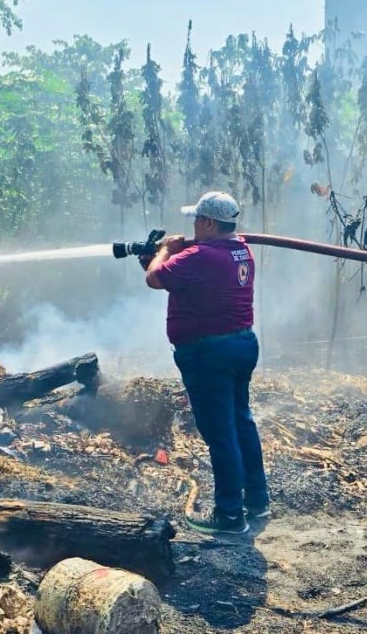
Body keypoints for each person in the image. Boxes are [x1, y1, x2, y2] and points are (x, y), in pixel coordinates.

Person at [139, 190, 269, 535]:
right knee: (241, 422)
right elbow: (180, 280)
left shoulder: (200, 255)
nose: (193, 225)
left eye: (197, 219)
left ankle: (229, 515)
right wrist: (162, 258)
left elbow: (154, 279)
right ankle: (257, 502)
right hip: (240, 344)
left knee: (220, 432)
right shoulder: (241, 251)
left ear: (210, 223)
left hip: (209, 353)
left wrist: (165, 250)